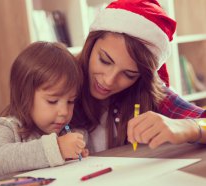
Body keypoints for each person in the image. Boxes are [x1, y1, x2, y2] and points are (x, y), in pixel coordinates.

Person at [72, 0, 206, 153]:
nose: (109, 80)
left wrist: (189, 127)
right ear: (91, 43)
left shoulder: (147, 91)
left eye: (129, 74)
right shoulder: (59, 77)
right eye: (105, 61)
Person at [0, 41, 89, 179]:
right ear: (24, 96)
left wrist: (76, 150)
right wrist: (57, 148)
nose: (64, 111)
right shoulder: (7, 127)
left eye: (70, 101)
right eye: (52, 101)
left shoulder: (68, 130)